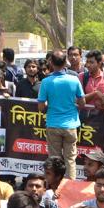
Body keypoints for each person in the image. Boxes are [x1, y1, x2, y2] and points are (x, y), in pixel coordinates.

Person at [39, 50, 86, 179]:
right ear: (66, 62)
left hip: (53, 124)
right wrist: (72, 105)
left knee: (54, 159)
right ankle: (70, 187)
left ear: (51, 63)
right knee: (70, 159)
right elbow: (82, 102)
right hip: (71, 126)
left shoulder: (46, 82)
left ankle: (55, 186)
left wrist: (51, 106)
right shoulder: (74, 80)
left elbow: (41, 107)